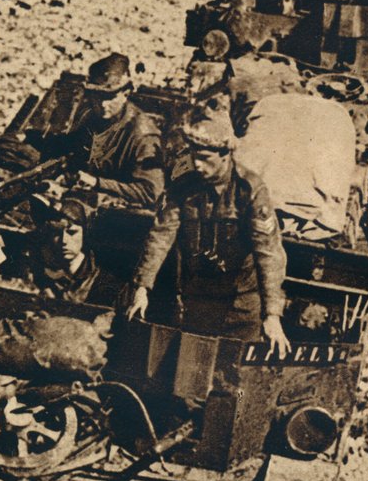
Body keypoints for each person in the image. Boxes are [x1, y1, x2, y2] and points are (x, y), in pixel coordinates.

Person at [125, 109, 291, 356]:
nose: (197, 165)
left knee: (233, 373)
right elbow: (161, 235)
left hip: (241, 305)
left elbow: (269, 253)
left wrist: (272, 315)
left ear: (225, 154)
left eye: (204, 158)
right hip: (198, 301)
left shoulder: (249, 190)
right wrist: (142, 288)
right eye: (194, 157)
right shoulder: (183, 185)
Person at [70, 53, 164, 208]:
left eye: (110, 97)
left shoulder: (143, 134)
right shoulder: (91, 116)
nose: (103, 104)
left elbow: (150, 192)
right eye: (98, 96)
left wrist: (97, 182)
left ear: (125, 94)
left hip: (122, 210)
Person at [27, 196, 117, 305]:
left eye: (72, 233)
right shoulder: (40, 272)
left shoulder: (103, 280)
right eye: (56, 233)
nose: (64, 241)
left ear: (84, 235)